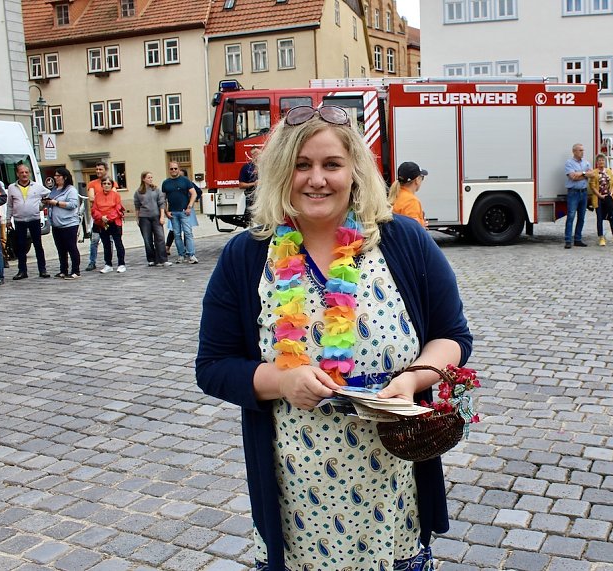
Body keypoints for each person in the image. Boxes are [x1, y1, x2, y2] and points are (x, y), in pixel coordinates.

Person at [196, 104, 472, 571]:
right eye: (301, 165)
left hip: (394, 483)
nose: (316, 179)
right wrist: (281, 382)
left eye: (331, 165)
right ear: (281, 172)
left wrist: (413, 381)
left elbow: (452, 335)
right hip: (296, 492)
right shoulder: (247, 256)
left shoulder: (403, 240)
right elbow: (214, 366)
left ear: (354, 171)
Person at [6, 163, 50, 280]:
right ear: (17, 174)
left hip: (34, 219)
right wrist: (8, 219)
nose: (24, 174)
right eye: (22, 172)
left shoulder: (37, 186)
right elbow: (10, 205)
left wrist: (40, 206)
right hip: (19, 220)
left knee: (38, 245)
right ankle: (22, 271)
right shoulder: (12, 187)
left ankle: (42, 270)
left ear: (29, 173)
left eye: (26, 172)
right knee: (20, 246)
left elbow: (48, 195)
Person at [45, 168, 81, 279]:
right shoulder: (54, 190)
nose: (55, 178)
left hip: (69, 223)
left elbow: (73, 205)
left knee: (71, 247)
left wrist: (55, 203)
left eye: (58, 176)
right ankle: (63, 270)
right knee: (61, 249)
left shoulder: (71, 190)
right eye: (55, 175)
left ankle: (76, 271)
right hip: (56, 224)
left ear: (64, 177)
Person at [162, 162, 198, 264]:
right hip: (173, 213)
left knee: (188, 233)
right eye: (171, 169)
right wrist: (166, 211)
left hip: (184, 212)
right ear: (169, 170)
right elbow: (162, 199)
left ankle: (191, 255)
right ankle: (181, 255)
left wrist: (189, 206)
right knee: (177, 234)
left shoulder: (185, 181)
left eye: (175, 168)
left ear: (178, 169)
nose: (173, 170)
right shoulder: (166, 183)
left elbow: (194, 193)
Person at [134, 172, 171, 267]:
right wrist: (137, 218)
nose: (150, 179)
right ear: (143, 179)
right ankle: (151, 259)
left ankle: (163, 259)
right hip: (144, 217)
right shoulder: (138, 192)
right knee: (147, 239)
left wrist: (162, 216)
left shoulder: (156, 190)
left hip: (156, 216)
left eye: (151, 177)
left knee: (160, 238)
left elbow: (161, 203)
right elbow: (137, 206)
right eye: (148, 177)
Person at [589, 154, 613, 247]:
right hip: (599, 198)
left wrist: (610, 193)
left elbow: (612, 183)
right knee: (600, 218)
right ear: (597, 162)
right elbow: (592, 186)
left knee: (611, 217)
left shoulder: (608, 171)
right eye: (599, 160)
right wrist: (600, 195)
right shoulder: (594, 172)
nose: (601, 162)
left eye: (603, 160)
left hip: (608, 198)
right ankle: (601, 237)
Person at [91, 177, 126, 273]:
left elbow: (118, 208)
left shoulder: (116, 195)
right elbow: (94, 209)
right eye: (104, 183)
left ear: (112, 185)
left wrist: (109, 218)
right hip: (102, 222)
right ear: (101, 185)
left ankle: (121, 264)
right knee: (106, 244)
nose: (106, 185)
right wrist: (101, 217)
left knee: (118, 243)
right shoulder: (97, 196)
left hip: (114, 222)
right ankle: (108, 264)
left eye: (108, 183)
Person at [85, 162, 112, 271]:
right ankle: (92, 262)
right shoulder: (92, 183)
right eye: (96, 169)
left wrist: (100, 198)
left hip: (109, 216)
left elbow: (113, 197)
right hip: (97, 216)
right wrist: (103, 197)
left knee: (109, 240)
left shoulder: (111, 182)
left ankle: (108, 262)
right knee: (94, 240)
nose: (98, 171)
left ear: (105, 170)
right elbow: (91, 198)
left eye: (100, 169)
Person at [564, 143, 592, 249]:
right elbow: (572, 177)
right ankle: (568, 240)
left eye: (583, 150)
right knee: (571, 216)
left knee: (581, 217)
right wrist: (585, 175)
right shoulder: (569, 163)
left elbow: (592, 174)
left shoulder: (586, 162)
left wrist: (580, 173)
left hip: (583, 193)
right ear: (574, 151)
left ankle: (578, 239)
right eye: (580, 150)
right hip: (573, 193)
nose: (582, 152)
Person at [388, 161, 428, 228]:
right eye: (422, 178)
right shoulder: (411, 201)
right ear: (417, 180)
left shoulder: (395, 195)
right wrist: (422, 225)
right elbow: (412, 229)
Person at [239, 148, 261, 224]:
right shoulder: (246, 167)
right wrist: (253, 184)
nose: (257, 156)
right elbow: (241, 185)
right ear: (252, 156)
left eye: (258, 153)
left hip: (264, 195)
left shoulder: (266, 166)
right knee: (250, 217)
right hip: (251, 195)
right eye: (255, 154)